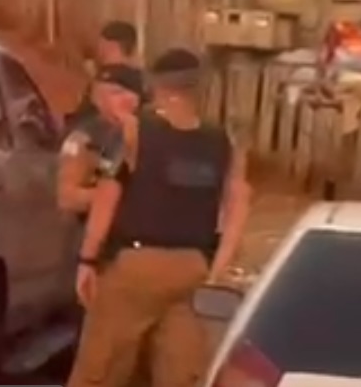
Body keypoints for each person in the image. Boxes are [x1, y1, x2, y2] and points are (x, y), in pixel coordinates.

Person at [67, 48, 251, 387]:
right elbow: (238, 204)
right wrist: (216, 269)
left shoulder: (136, 132)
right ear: (199, 88)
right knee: (180, 375)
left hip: (135, 267)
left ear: (157, 86)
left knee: (99, 372)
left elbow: (109, 195)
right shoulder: (222, 141)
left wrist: (88, 259)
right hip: (192, 269)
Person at [57, 63, 144, 218]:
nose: (103, 101)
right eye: (99, 94)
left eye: (116, 93)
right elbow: (67, 197)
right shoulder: (83, 137)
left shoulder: (154, 131)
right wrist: (112, 196)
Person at [65, 21, 139, 130]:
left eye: (101, 43)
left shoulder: (107, 80)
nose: (98, 48)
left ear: (110, 45)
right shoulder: (139, 78)